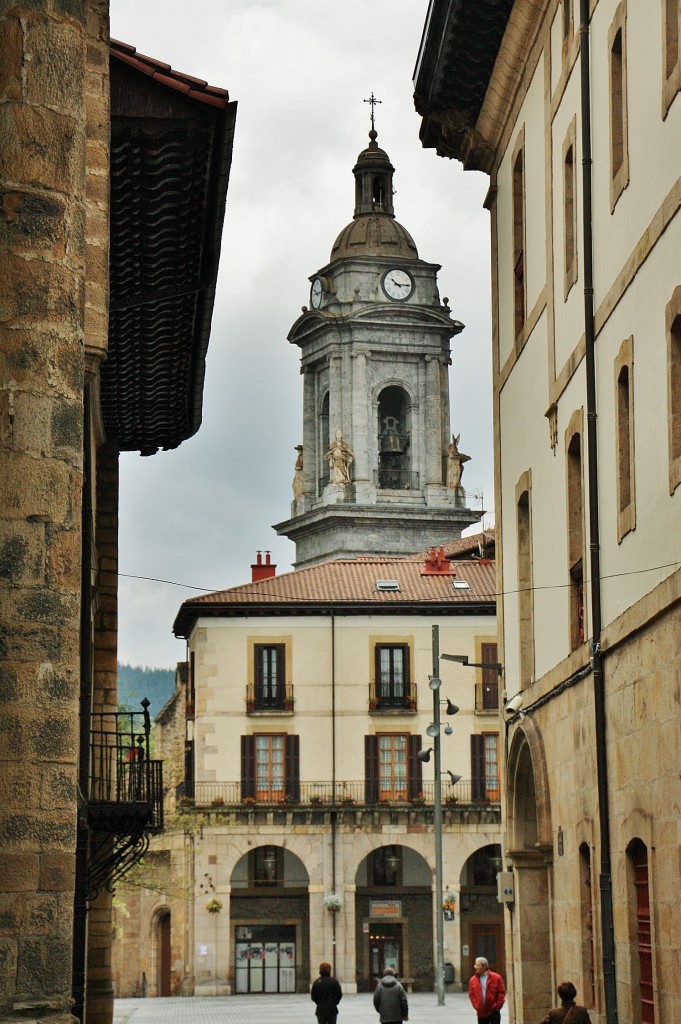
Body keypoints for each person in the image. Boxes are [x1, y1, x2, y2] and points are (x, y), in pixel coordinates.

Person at [468, 956, 506, 1024]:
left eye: (477, 965)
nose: (475, 967)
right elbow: (471, 994)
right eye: (475, 965)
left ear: (484, 966)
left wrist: (498, 1006)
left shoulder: (496, 978)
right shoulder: (473, 980)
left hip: (494, 1010)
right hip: (481, 1011)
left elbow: (501, 992)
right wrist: (476, 1006)